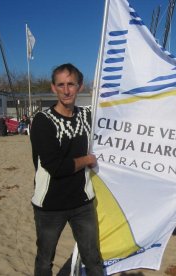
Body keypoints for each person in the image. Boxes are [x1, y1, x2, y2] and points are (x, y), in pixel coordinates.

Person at [30, 63, 104, 276]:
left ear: (79, 86)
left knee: (93, 259)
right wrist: (88, 159)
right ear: (53, 88)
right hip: (49, 205)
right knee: (45, 261)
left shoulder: (87, 116)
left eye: (71, 84)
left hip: (83, 202)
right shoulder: (43, 120)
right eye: (61, 84)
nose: (66, 90)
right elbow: (55, 166)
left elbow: (116, 117)